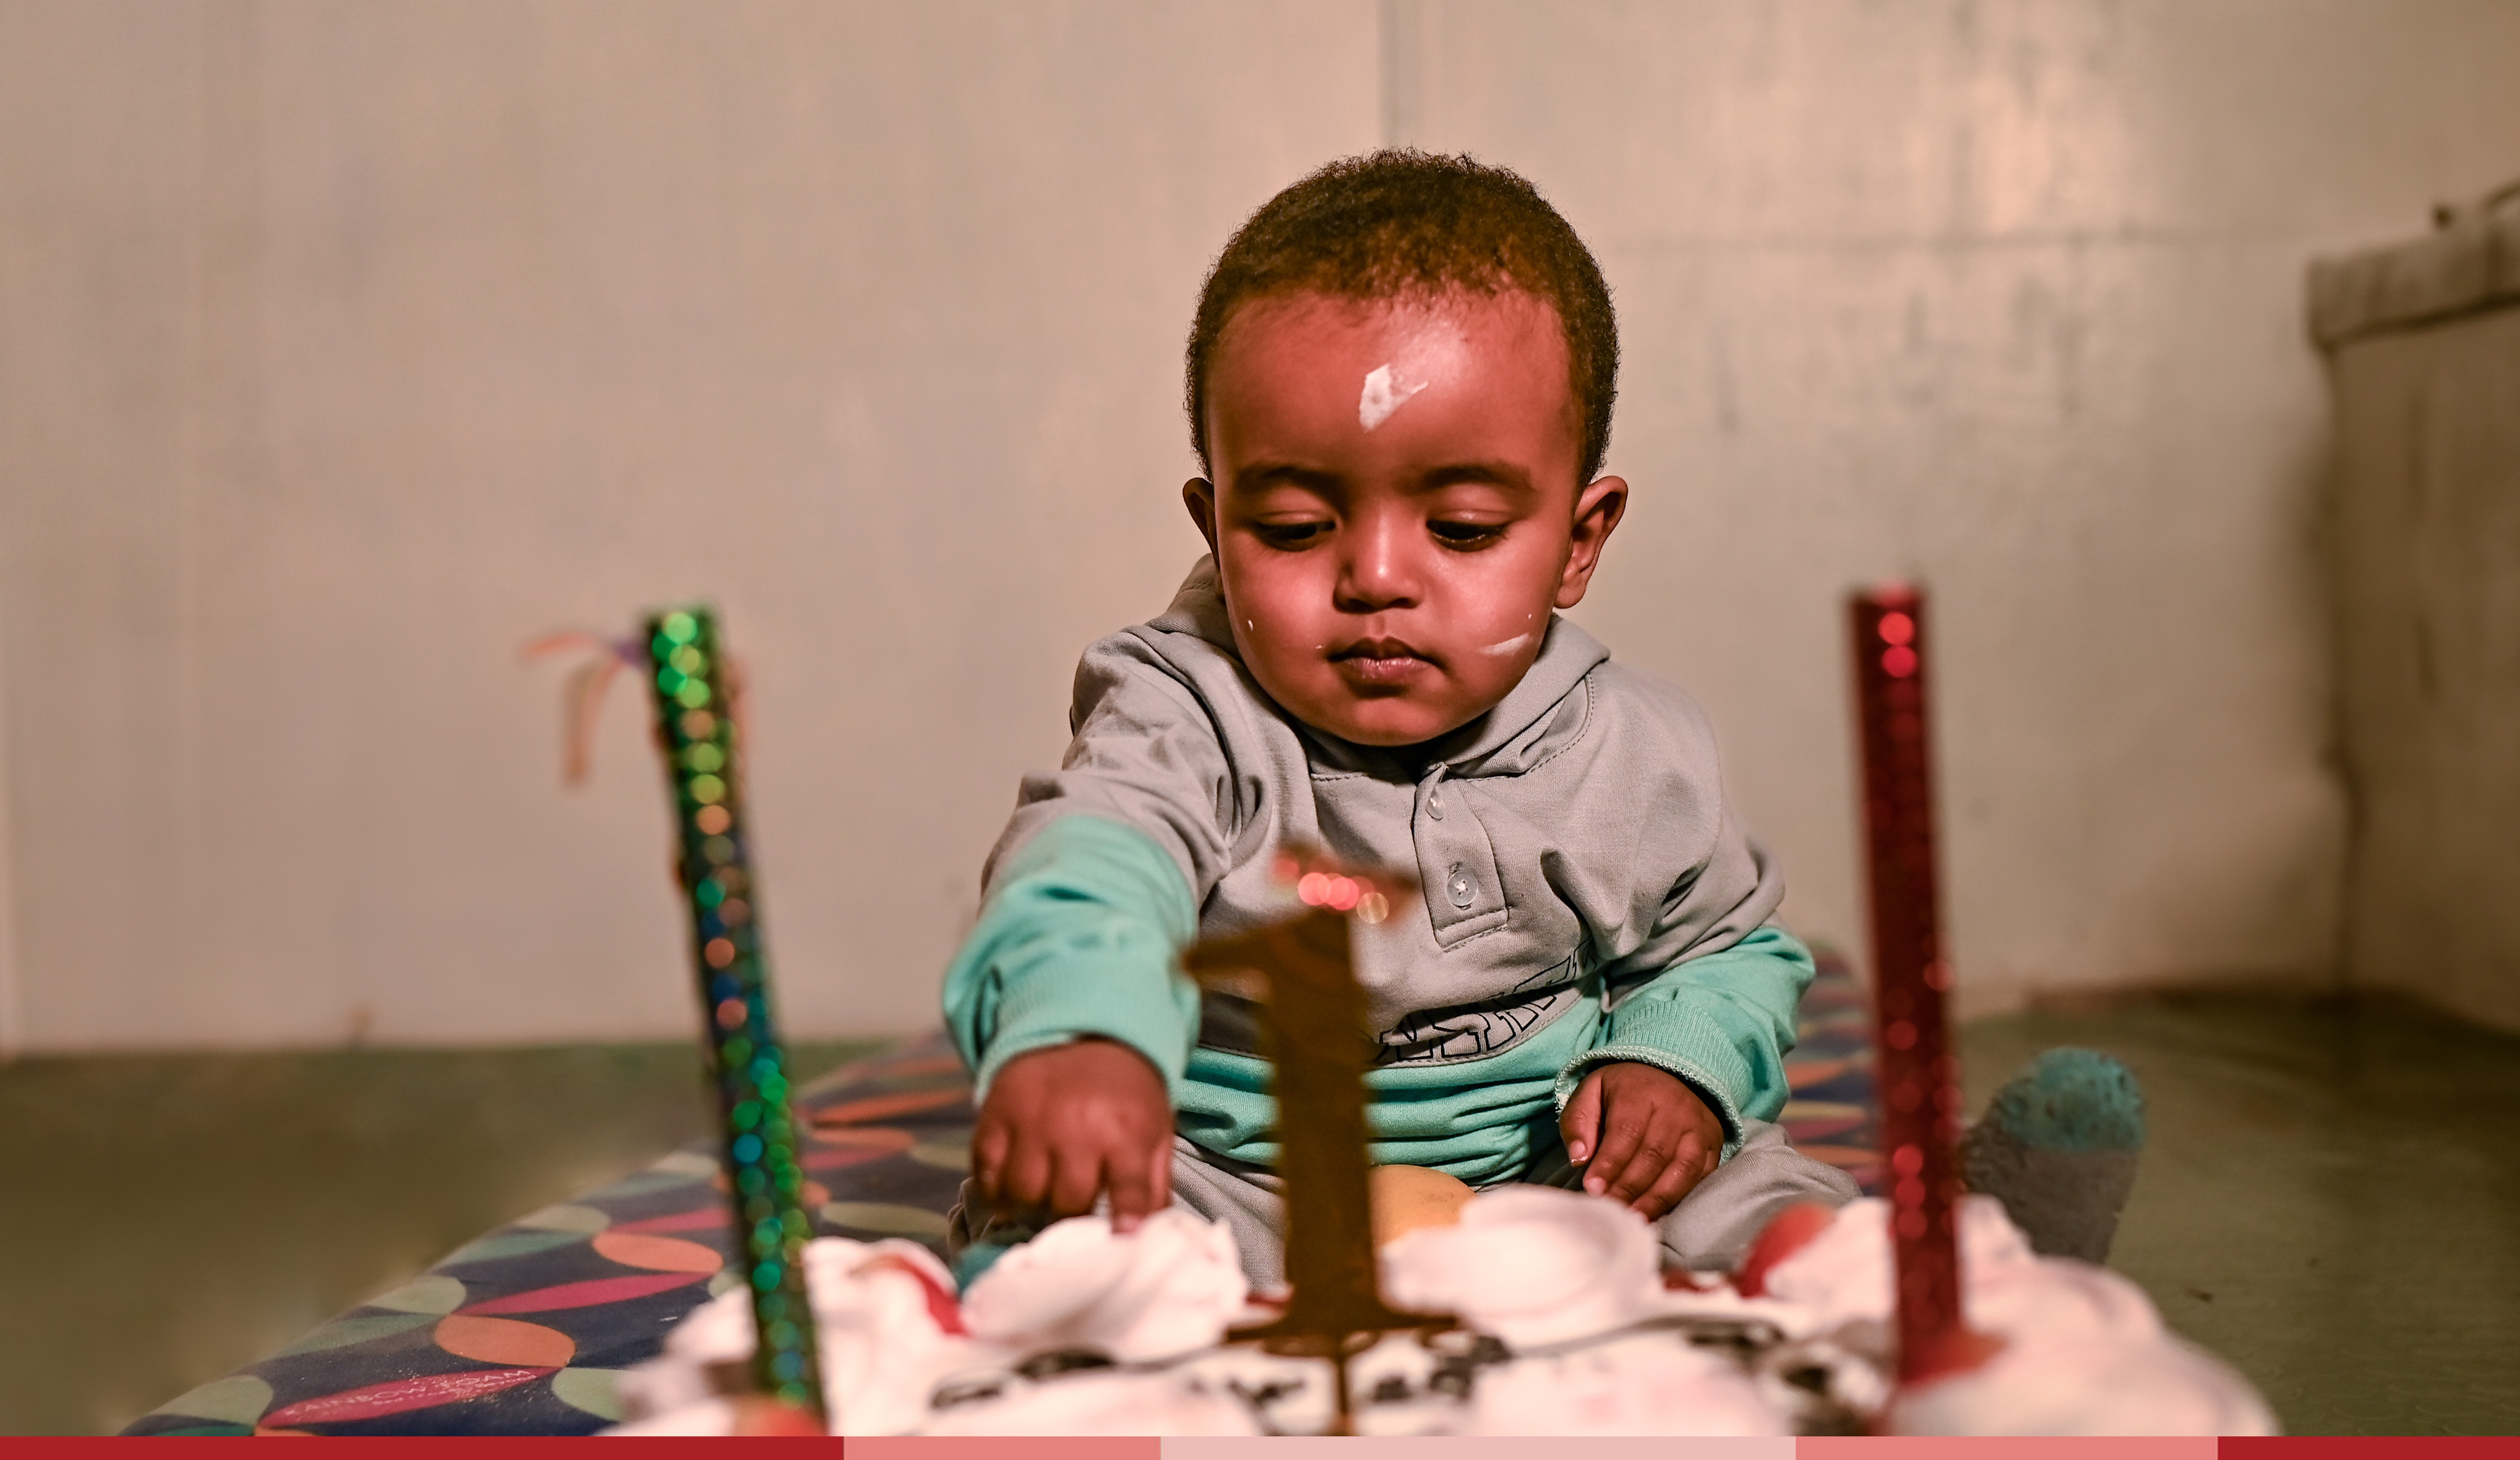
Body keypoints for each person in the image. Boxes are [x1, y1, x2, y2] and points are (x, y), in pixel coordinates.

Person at [942, 150, 1856, 1288]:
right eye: (1289, 526)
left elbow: (1723, 951)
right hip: (1243, 1180)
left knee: (1766, 1211)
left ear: (1579, 540)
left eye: (1462, 528)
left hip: (1553, 1174)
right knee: (1076, 1236)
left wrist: (1677, 1066)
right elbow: (1093, 858)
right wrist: (1083, 1030)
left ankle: (1917, 1287)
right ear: (1216, 526)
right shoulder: (1184, 710)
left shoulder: (1635, 751)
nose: (1375, 576)